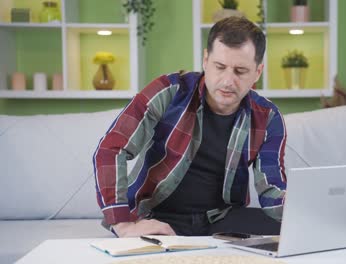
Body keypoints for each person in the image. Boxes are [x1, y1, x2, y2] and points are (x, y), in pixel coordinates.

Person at [93, 16, 287, 238]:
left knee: (296, 232)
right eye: (220, 67)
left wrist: (292, 204)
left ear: (257, 72)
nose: (227, 80)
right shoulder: (169, 91)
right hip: (157, 218)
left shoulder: (269, 117)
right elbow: (111, 149)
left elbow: (271, 187)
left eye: (240, 71)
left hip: (222, 219)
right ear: (205, 60)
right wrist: (124, 225)